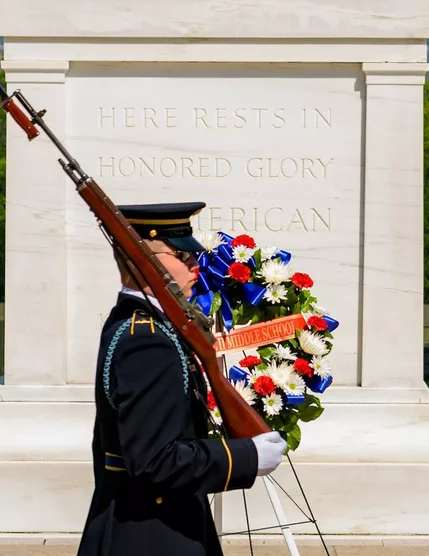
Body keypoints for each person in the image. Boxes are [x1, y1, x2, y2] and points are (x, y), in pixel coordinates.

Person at [77, 201, 287, 556]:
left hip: (147, 524)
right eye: (182, 256)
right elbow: (154, 461)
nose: (194, 267)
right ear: (144, 261)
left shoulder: (136, 324)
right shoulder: (147, 340)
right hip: (151, 536)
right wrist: (245, 457)